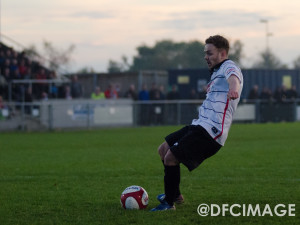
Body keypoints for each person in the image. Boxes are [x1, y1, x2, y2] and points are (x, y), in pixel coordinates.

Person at [151, 35, 243, 211]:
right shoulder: (217, 73)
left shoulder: (229, 66)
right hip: (199, 125)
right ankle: (175, 194)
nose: (205, 57)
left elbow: (234, 79)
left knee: (171, 157)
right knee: (163, 149)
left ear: (223, 53)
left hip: (212, 132)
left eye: (210, 53)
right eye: (205, 53)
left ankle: (169, 204)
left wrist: (233, 89)